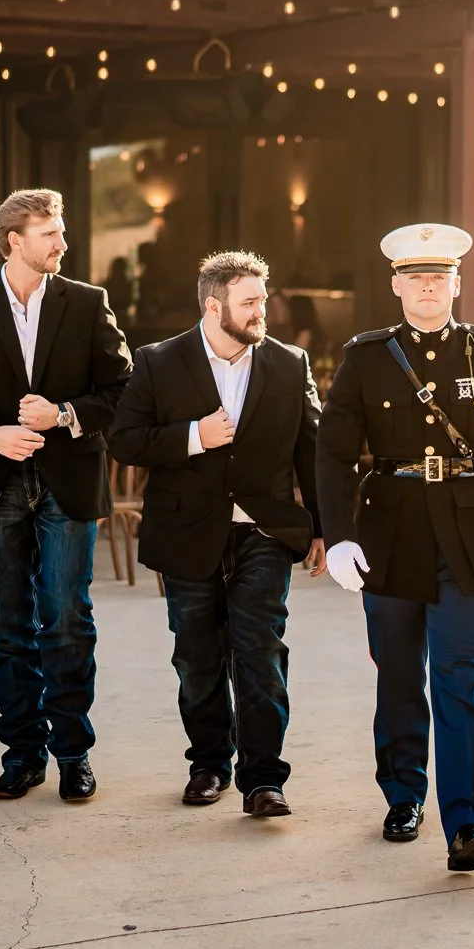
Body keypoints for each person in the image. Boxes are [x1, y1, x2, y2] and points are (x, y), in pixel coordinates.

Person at [315, 223, 474, 872]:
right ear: (395, 285)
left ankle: (468, 822)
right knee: (397, 673)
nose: (427, 287)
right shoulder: (367, 358)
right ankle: (403, 794)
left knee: (461, 678)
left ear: (457, 284)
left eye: (438, 277)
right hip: (388, 534)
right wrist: (338, 537)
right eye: (415, 277)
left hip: (469, 533)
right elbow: (333, 455)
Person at [0, 188, 133, 803]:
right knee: (10, 629)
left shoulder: (88, 302)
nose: (64, 243)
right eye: (50, 234)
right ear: (15, 240)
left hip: (69, 483)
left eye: (61, 232)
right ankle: (22, 755)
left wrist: (63, 414)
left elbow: (124, 390)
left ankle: (72, 754)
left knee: (67, 620)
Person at [108, 252, 325, 819]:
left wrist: (324, 529)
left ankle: (263, 779)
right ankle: (208, 765)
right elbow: (124, 440)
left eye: (263, 300)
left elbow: (313, 451)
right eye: (249, 302)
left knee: (260, 651)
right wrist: (193, 436)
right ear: (213, 305)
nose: (261, 311)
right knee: (197, 656)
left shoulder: (289, 363)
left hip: (264, 531)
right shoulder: (158, 361)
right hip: (186, 530)